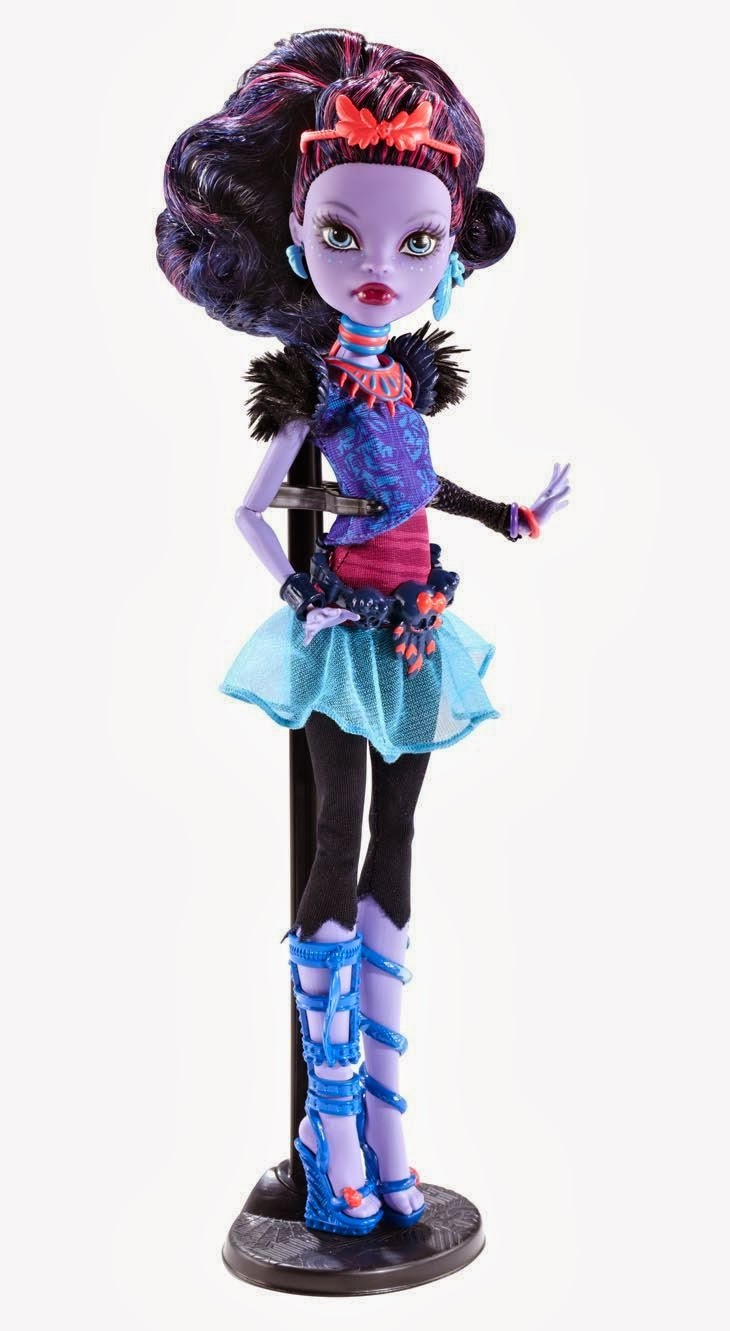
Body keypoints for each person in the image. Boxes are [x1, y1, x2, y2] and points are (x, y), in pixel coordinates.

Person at [156, 27, 570, 1236]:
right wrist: (301, 593)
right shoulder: (321, 386)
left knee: (399, 837)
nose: (380, 267)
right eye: (343, 235)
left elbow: (416, 485)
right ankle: (327, 1121)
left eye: (416, 242)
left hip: (417, 626)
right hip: (344, 629)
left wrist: (508, 515)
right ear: (297, 239)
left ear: (451, 251)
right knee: (336, 834)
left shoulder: (406, 384)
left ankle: (388, 1126)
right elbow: (252, 507)